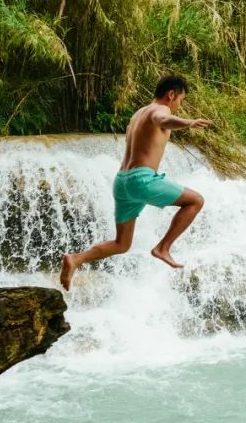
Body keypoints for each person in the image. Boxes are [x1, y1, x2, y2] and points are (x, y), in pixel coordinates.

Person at [60, 75, 211, 291]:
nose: (180, 105)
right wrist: (189, 123)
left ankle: (75, 259)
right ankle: (163, 248)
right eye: (181, 100)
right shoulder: (160, 110)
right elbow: (163, 120)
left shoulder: (139, 114)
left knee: (121, 244)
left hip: (122, 182)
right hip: (142, 180)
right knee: (195, 201)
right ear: (171, 95)